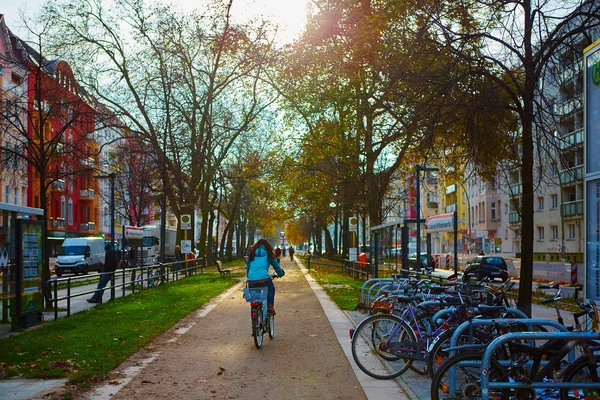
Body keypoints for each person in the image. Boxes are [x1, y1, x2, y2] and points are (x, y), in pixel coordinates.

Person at [246, 239, 285, 315]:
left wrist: (249, 276)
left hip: (251, 280)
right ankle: (270, 306)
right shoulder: (269, 253)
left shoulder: (252, 253)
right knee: (271, 289)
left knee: (254, 298)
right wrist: (280, 274)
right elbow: (276, 266)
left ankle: (255, 313)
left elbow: (248, 267)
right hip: (264, 279)